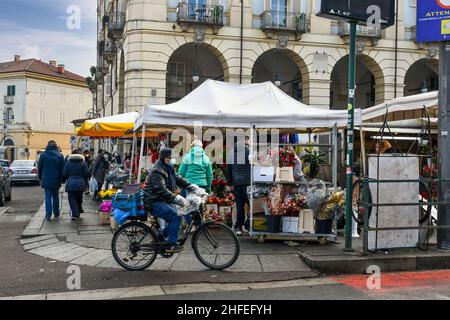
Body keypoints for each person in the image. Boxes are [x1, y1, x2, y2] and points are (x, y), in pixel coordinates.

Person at [143, 148, 194, 253]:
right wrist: (176, 199)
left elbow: (178, 179)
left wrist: (191, 186)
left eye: (173, 158)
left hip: (161, 200)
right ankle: (171, 244)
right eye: (170, 158)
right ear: (164, 158)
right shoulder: (157, 171)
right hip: (153, 202)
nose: (172, 160)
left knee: (177, 215)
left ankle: (160, 237)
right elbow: (161, 189)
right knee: (176, 217)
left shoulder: (168, 168)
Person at [178, 140, 213, 225]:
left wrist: (179, 184)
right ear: (202, 147)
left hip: (189, 185)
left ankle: (190, 224)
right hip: (202, 185)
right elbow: (209, 175)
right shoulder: (206, 158)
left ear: (193, 146)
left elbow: (181, 172)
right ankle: (199, 225)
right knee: (199, 205)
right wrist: (208, 187)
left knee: (184, 204)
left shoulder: (187, 157)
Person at [226, 136, 251, 236]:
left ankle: (238, 228)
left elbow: (228, 170)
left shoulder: (231, 153)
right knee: (252, 206)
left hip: (237, 183)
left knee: (240, 206)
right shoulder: (249, 152)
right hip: (248, 183)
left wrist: (230, 183)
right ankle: (249, 226)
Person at [38, 140, 65, 221]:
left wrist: (40, 178)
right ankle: (56, 213)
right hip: (56, 179)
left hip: (46, 179)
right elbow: (63, 169)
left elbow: (40, 168)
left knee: (48, 197)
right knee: (56, 196)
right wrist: (63, 179)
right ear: (56, 146)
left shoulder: (43, 155)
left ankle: (48, 215)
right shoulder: (60, 156)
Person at [63, 149, 90, 221]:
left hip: (70, 184)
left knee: (72, 199)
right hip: (80, 184)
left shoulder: (68, 163)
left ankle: (75, 214)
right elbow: (86, 174)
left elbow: (64, 174)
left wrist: (65, 179)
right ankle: (78, 210)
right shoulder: (83, 163)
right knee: (79, 198)